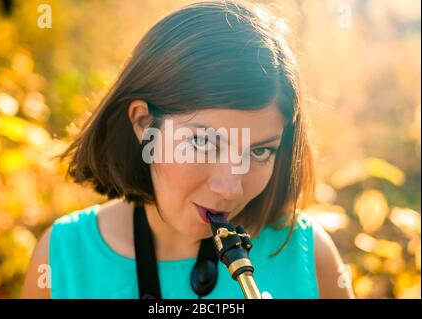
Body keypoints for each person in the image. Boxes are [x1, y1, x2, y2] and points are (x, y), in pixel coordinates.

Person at [22, 0, 354, 299]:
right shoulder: (60, 257)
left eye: (260, 152)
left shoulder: (309, 255)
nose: (230, 189)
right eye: (203, 143)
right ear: (143, 123)